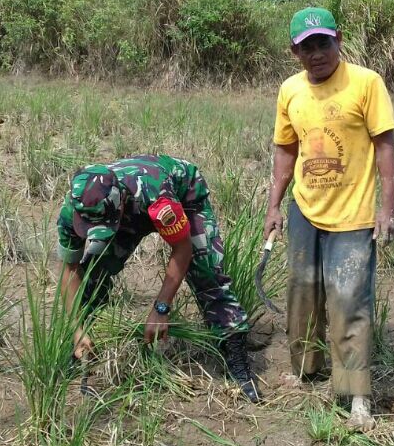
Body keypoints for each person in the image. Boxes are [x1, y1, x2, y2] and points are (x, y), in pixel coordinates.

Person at [264, 7, 394, 431]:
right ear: (295, 52)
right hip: (304, 209)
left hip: (354, 216)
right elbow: (285, 152)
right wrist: (273, 206)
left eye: (323, 42)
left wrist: (387, 210)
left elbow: (386, 150)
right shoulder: (290, 90)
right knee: (301, 291)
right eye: (307, 47)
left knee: (349, 300)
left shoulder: (366, 82)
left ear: (338, 39)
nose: (317, 53)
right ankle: (305, 369)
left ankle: (357, 395)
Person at [56, 153, 261, 402]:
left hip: (184, 196)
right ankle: (83, 347)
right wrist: (75, 327)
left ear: (120, 202)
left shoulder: (158, 198)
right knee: (92, 274)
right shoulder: (74, 208)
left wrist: (161, 307)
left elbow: (183, 249)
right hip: (126, 211)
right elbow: (70, 269)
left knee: (207, 273)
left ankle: (236, 356)